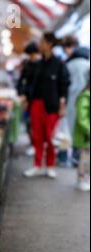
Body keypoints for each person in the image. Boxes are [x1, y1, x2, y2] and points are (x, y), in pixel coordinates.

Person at [24, 33, 70, 178]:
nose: (40, 44)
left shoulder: (59, 64)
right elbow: (29, 83)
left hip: (52, 106)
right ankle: (37, 165)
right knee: (37, 136)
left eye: (42, 42)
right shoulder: (38, 64)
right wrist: (26, 99)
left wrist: (62, 104)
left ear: (49, 44)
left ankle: (50, 165)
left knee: (49, 137)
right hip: (36, 104)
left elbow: (64, 86)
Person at [62, 36, 90, 167]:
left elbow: (64, 85)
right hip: (85, 99)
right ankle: (78, 159)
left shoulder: (68, 65)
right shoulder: (87, 65)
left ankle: (67, 158)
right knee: (82, 131)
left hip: (70, 101)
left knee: (67, 130)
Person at [17, 42, 41, 156]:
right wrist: (22, 94)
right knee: (28, 122)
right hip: (27, 98)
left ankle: (35, 145)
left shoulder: (41, 65)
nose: (31, 57)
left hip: (36, 99)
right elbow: (21, 80)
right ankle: (32, 142)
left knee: (34, 124)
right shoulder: (27, 64)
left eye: (32, 55)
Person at [73, 79, 90, 191]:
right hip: (85, 135)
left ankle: (85, 179)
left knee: (87, 159)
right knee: (84, 159)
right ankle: (81, 180)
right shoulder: (85, 97)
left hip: (86, 134)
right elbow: (82, 118)